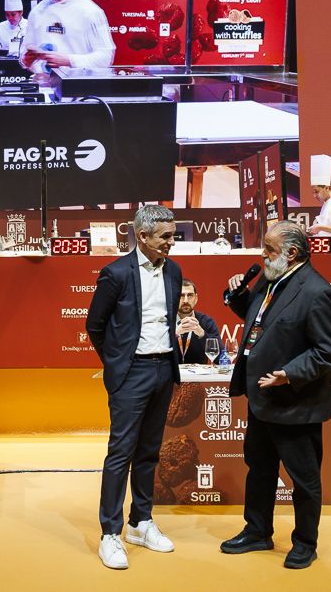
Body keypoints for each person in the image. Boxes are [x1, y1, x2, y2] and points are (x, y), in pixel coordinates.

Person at [221, 221, 331, 570]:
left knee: (303, 479)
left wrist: (289, 373)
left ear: (292, 253)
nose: (263, 255)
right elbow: (259, 320)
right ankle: (257, 531)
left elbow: (326, 351)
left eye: (269, 249)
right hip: (262, 397)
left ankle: (305, 542)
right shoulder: (270, 278)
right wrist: (238, 295)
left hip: (295, 402)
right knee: (259, 469)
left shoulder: (317, 292)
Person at [85, 204, 182, 570]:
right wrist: (117, 363)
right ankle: (109, 533)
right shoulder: (115, 274)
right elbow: (95, 325)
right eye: (165, 237)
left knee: (149, 452)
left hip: (164, 369)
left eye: (173, 236)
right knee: (120, 453)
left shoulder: (174, 271)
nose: (171, 242)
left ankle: (140, 522)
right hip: (131, 373)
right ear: (142, 236)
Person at [175, 280, 222, 365]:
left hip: (198, 374)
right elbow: (155, 354)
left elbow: (221, 358)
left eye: (190, 295)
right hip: (171, 373)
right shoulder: (165, 321)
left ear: (196, 298)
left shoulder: (207, 322)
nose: (186, 300)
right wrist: (175, 334)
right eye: (181, 295)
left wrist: (202, 334)